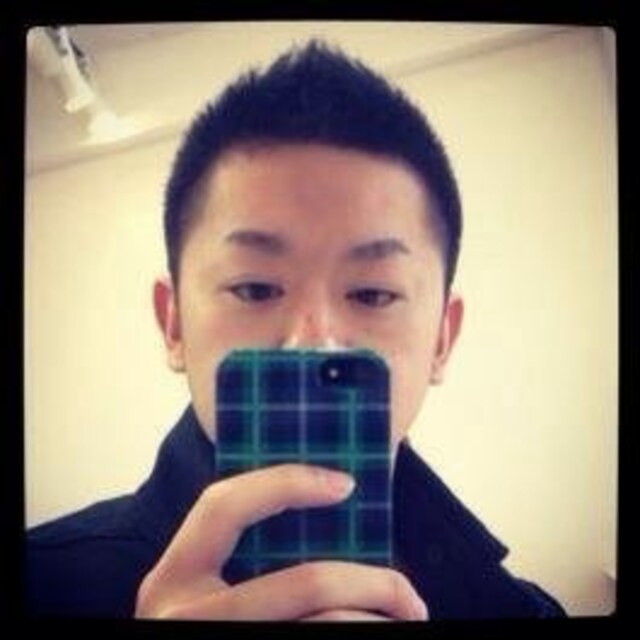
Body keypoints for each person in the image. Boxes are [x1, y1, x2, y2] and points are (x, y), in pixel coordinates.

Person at [26, 39, 566, 620]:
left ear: (441, 339)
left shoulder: (523, 612)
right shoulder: (41, 584)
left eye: (373, 294)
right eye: (255, 289)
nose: (312, 342)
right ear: (174, 322)